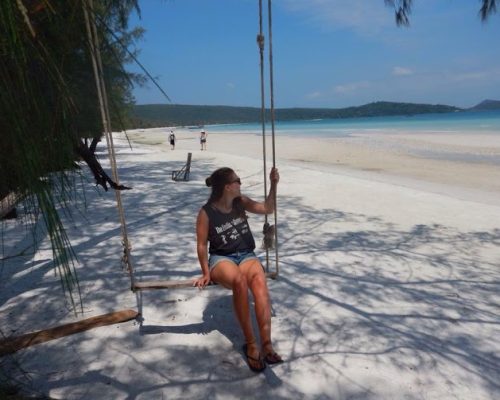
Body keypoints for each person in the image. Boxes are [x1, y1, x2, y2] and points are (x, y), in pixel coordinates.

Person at [194, 167, 283, 372]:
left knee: (259, 281)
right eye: (238, 181)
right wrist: (206, 272)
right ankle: (251, 344)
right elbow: (201, 245)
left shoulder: (240, 202)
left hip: (246, 255)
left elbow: (268, 208)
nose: (240, 184)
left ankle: (267, 344)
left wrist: (274, 184)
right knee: (239, 282)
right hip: (221, 258)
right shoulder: (206, 213)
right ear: (228, 187)